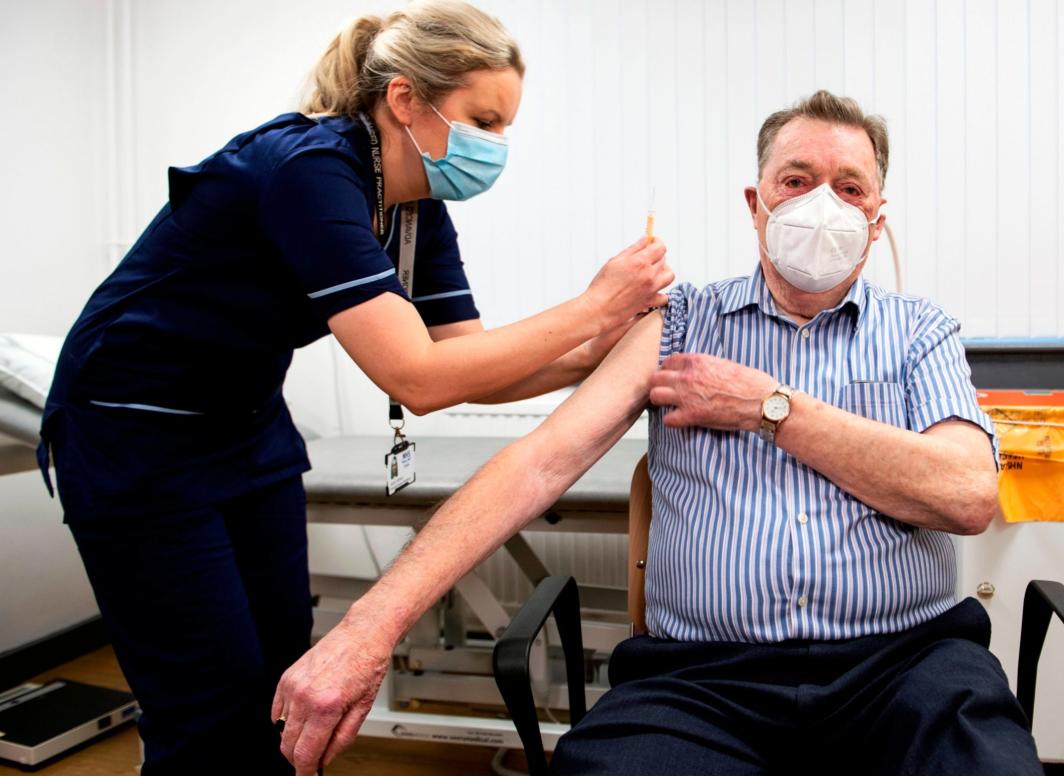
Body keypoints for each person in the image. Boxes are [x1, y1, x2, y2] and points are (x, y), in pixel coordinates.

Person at [272, 89, 1043, 775]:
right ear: (756, 202)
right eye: (797, 181)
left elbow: (968, 493)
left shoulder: (921, 333)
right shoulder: (681, 323)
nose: (823, 206)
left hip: (906, 667)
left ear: (876, 221)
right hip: (703, 681)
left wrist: (770, 407)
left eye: (850, 189)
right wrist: (370, 626)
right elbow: (540, 464)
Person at [37, 2, 671, 773]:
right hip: (134, 432)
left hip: (247, 429)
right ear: (406, 98)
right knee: (207, 706)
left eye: (506, 126)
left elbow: (468, 359)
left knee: (278, 678)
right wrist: (591, 305)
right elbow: (416, 378)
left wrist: (600, 350)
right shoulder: (308, 169)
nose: (496, 145)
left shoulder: (414, 209)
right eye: (485, 119)